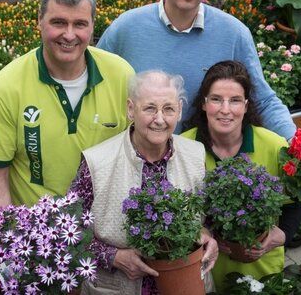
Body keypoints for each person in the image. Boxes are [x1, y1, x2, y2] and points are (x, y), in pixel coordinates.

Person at [0, 0, 135, 227]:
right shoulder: (6, 86)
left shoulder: (121, 75)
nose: (69, 35)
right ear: (39, 22)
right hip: (39, 242)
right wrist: (11, 244)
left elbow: (140, 157)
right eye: (58, 22)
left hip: (109, 232)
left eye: (80, 24)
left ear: (93, 26)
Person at [97, 0, 296, 140]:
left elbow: (262, 100)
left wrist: (296, 143)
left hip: (204, 162)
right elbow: (94, 87)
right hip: (138, 159)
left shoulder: (233, 33)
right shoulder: (127, 28)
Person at [69, 70, 218, 294]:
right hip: (117, 286)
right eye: (150, 108)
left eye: (168, 109)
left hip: (185, 283)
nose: (159, 119)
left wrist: (208, 237)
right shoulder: (97, 162)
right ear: (131, 109)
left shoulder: (195, 154)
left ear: (178, 111)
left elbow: (208, 217)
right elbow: (69, 229)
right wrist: (114, 256)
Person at [182, 60, 301, 292]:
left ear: (246, 106)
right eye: (216, 99)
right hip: (205, 270)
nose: (225, 109)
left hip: (261, 270)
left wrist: (282, 234)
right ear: (204, 104)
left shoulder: (274, 146)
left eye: (235, 100)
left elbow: (294, 203)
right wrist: (200, 231)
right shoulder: (182, 147)